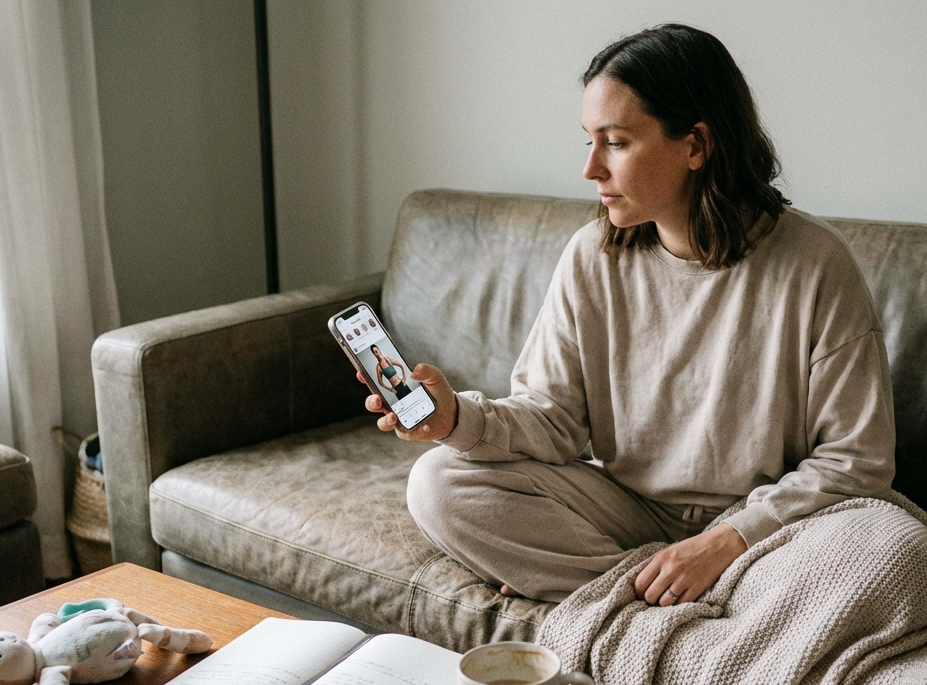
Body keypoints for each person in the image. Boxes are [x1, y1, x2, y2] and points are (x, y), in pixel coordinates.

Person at [360, 24, 895, 606]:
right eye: (589, 141)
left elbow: (857, 461)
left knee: (888, 552)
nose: (591, 169)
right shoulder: (592, 256)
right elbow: (553, 419)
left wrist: (726, 541)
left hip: (766, 531)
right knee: (438, 482)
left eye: (615, 142)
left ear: (696, 145)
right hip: (629, 511)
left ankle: (610, 589)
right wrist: (453, 418)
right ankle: (663, 592)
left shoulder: (815, 263)